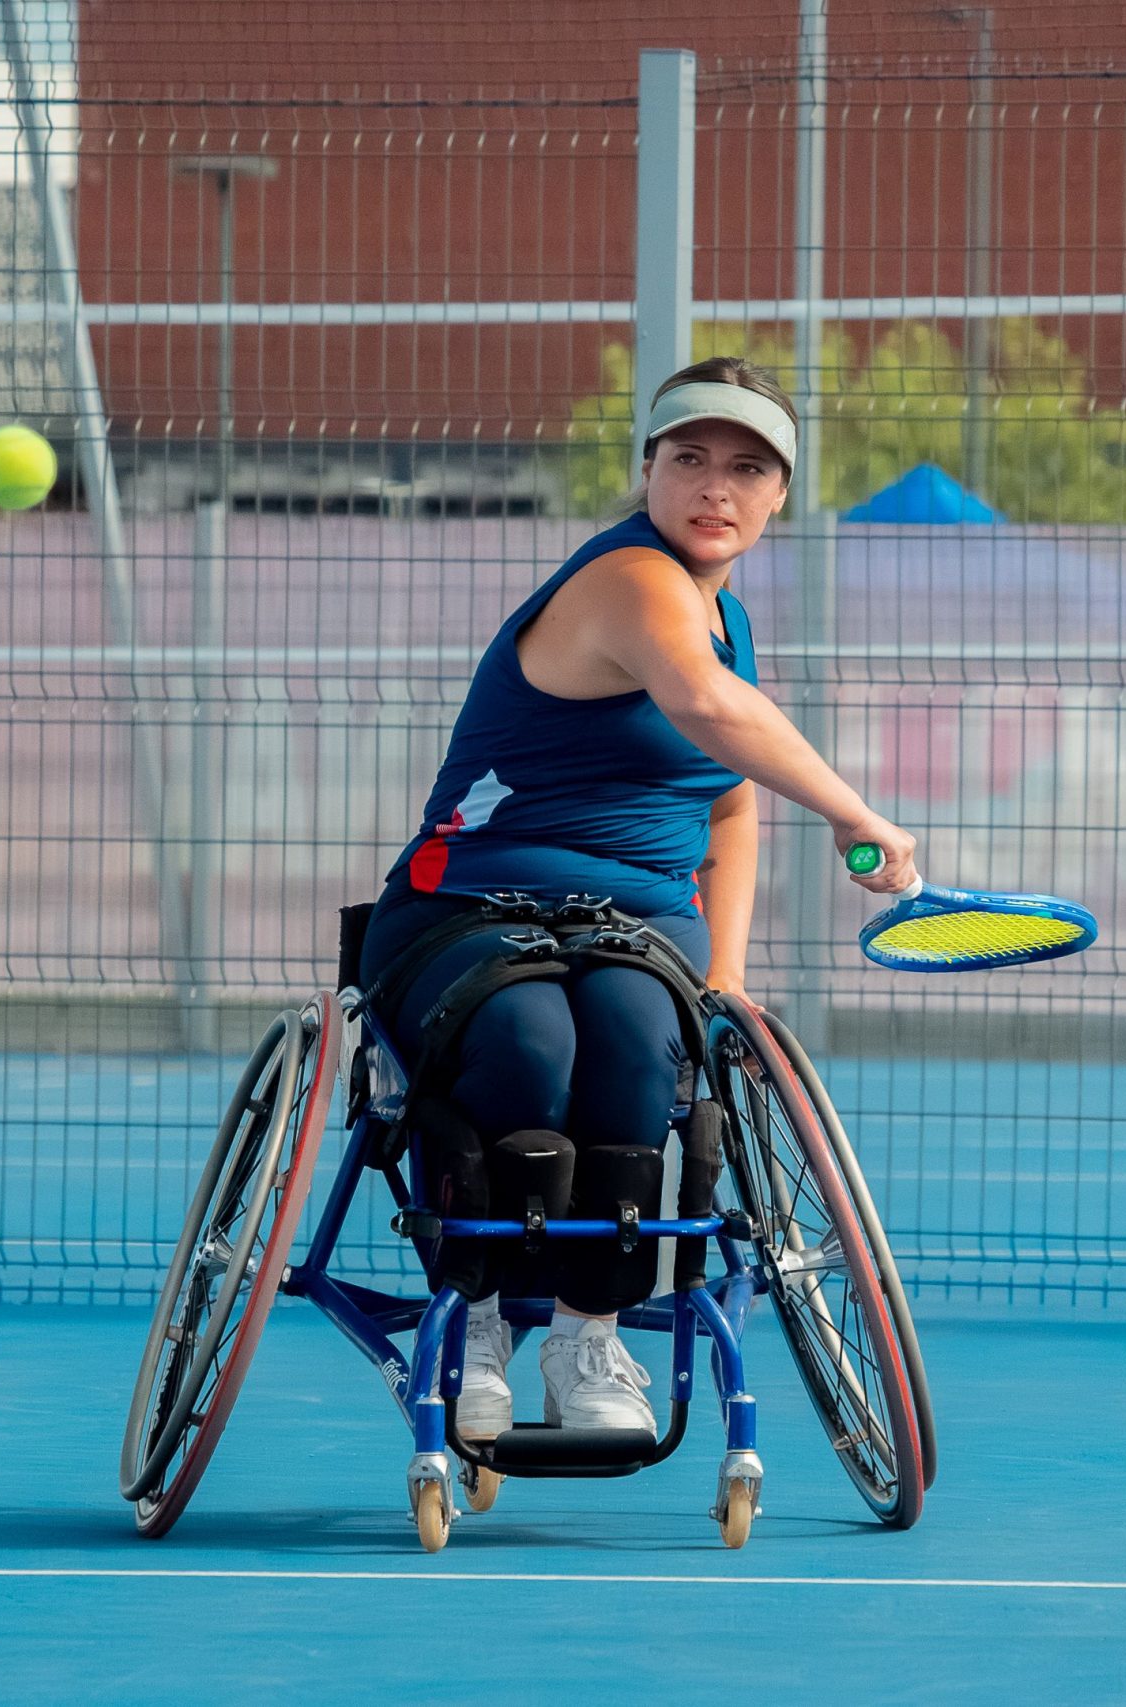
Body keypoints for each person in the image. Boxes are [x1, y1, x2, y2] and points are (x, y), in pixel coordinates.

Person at [360, 356, 917, 1440]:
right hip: (468, 903)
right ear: (648, 471)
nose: (716, 486)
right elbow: (706, 709)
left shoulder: (730, 616)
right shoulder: (628, 579)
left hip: (636, 920)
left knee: (632, 1039)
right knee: (525, 1043)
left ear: (779, 495)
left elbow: (726, 805)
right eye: (691, 459)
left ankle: (586, 1332)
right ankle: (474, 1315)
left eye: (747, 467)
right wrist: (857, 814)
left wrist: (726, 975)